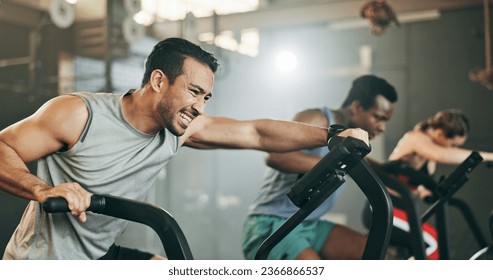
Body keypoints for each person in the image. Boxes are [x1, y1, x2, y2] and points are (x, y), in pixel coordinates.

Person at [0, 37, 369, 260]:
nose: (200, 107)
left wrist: (333, 134)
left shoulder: (178, 128)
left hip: (97, 257)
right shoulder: (77, 114)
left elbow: (255, 133)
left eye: (207, 97)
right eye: (194, 92)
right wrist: (44, 189)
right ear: (159, 81)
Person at [241, 74, 398, 260]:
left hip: (310, 224)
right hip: (271, 224)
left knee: (381, 257)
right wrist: (335, 163)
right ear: (356, 108)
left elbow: (372, 167)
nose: (382, 127)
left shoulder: (350, 142)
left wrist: (407, 164)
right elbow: (276, 157)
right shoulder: (317, 119)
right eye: (378, 118)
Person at [384, 109, 493, 259]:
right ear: (440, 133)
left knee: (430, 243)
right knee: (432, 243)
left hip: (404, 209)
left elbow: (413, 179)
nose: (453, 149)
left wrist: (424, 192)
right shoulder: (415, 138)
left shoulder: (427, 154)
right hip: (385, 209)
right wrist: (488, 156)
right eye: (453, 144)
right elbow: (441, 154)